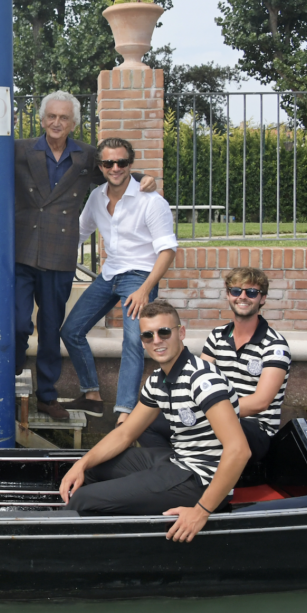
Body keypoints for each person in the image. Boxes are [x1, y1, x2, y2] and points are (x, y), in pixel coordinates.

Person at [14, 92, 156, 422]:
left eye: (64, 118)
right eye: (51, 116)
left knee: (51, 328)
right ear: (41, 118)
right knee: (18, 321)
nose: (56, 122)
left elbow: (115, 169)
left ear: (74, 123)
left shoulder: (86, 156)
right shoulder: (20, 150)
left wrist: (145, 178)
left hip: (59, 255)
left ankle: (47, 396)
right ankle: (11, 378)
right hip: (22, 250)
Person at [59, 301, 250, 542]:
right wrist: (82, 463)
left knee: (82, 499)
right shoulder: (159, 380)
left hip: (201, 480)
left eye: (164, 332)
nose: (156, 340)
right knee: (93, 470)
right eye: (148, 335)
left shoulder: (203, 380)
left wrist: (201, 512)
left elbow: (239, 450)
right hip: (177, 461)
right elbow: (126, 433)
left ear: (180, 333)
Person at [59, 137, 178, 425]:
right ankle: (92, 396)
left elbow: (167, 250)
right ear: (100, 166)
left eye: (122, 162)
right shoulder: (97, 197)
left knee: (134, 341)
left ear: (130, 164)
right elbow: (77, 233)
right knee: (71, 331)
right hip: (110, 274)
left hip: (139, 276)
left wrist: (144, 290)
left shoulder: (151, 201)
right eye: (109, 162)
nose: (115, 168)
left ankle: (125, 411)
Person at [138, 268, 290, 464]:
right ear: (228, 295)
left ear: (262, 299)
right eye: (236, 291)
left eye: (251, 292)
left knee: (208, 423)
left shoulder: (275, 345)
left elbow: (261, 402)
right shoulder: (217, 336)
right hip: (213, 414)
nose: (242, 297)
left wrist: (211, 410)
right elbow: (194, 378)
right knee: (147, 423)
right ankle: (172, 469)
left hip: (256, 430)